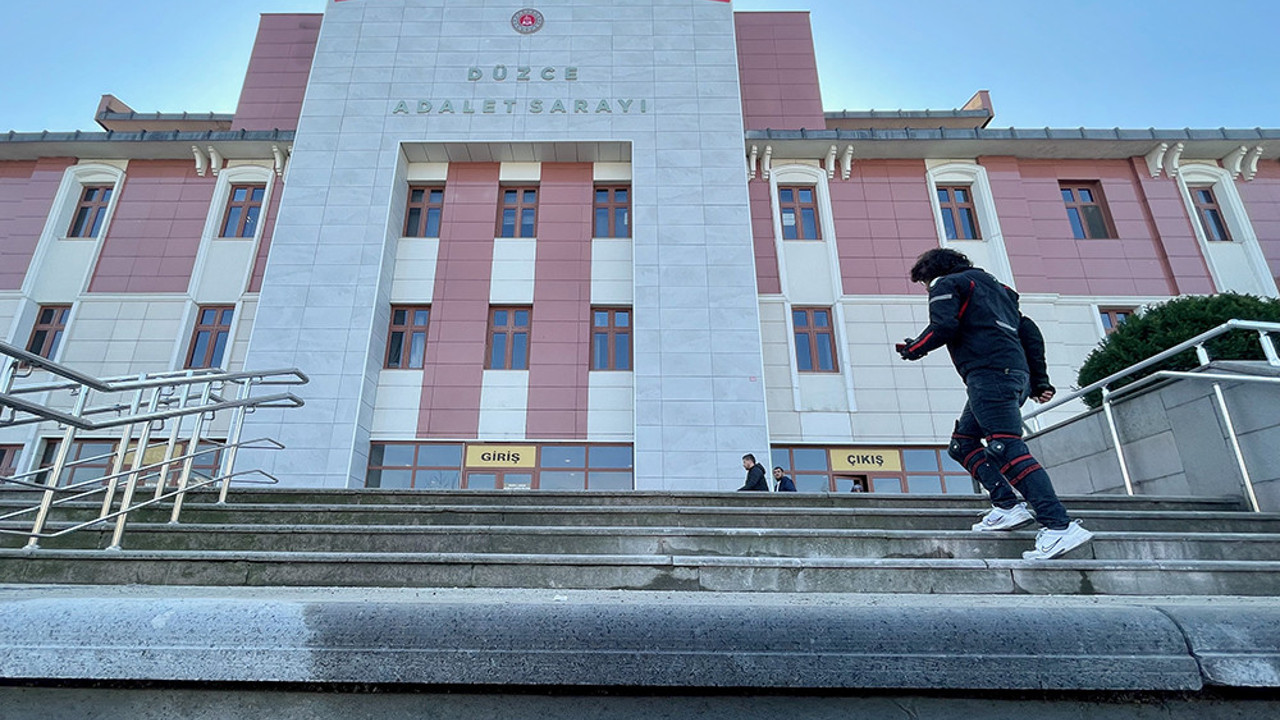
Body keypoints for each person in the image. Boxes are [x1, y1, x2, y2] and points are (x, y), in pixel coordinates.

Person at [897, 248, 1093, 560]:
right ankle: (1007, 506)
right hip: (1011, 376)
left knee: (1005, 447)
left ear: (932, 274)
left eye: (923, 283)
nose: (925, 289)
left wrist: (914, 349)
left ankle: (1059, 526)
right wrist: (1039, 381)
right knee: (962, 444)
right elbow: (1029, 332)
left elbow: (944, 326)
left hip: (989, 376)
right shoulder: (999, 290)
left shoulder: (946, 284)